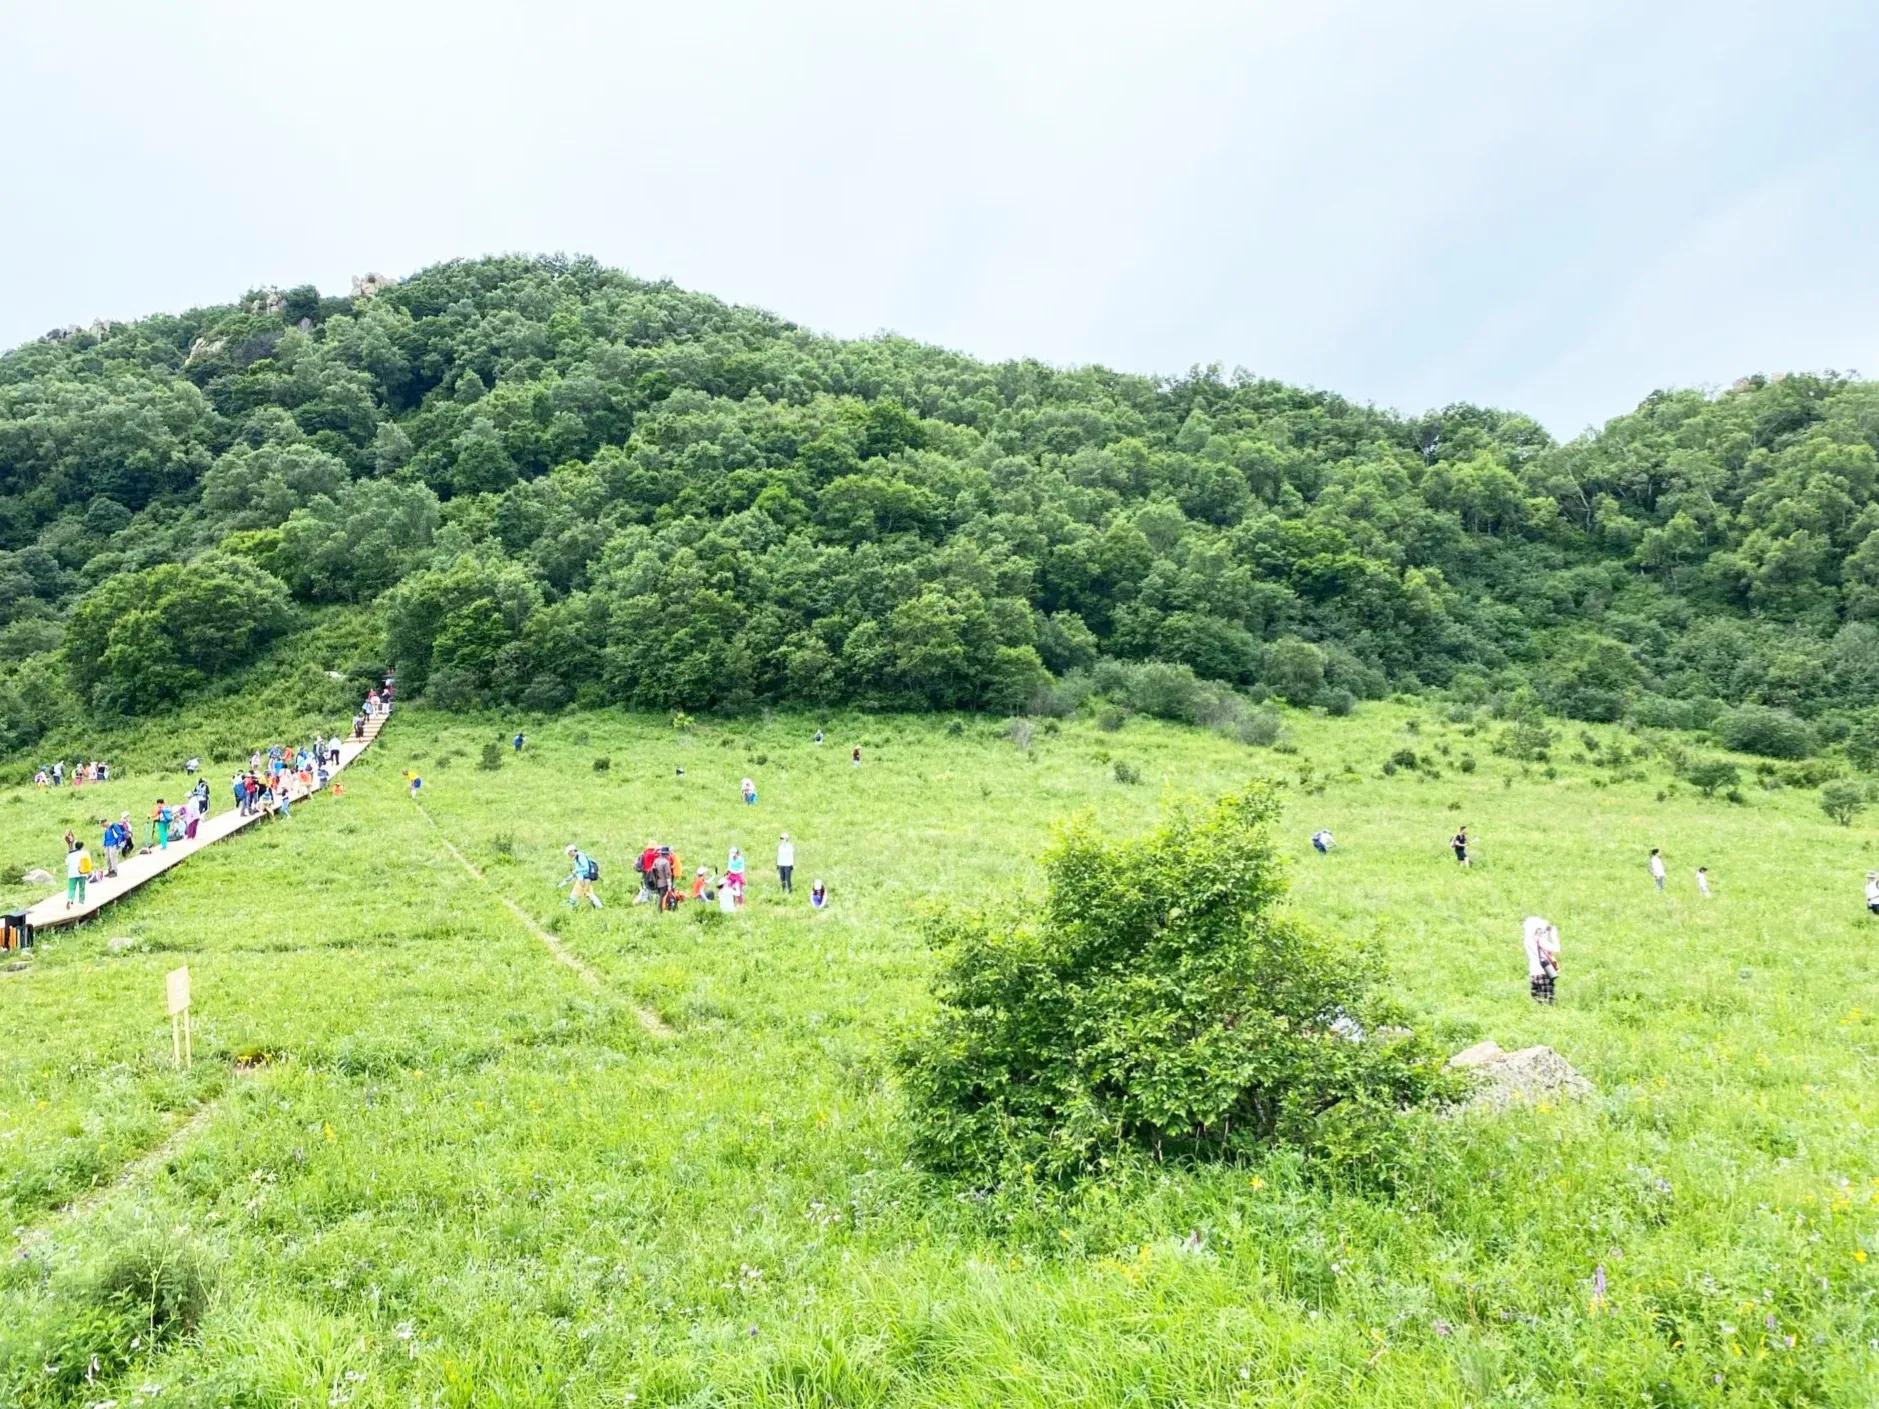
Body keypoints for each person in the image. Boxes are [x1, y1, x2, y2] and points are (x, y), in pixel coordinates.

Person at [1522, 916, 1561, 1004]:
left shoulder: (1527, 941)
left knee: (1538, 1001)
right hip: (1544, 972)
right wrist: (1554, 935)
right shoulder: (1540, 940)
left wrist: (1546, 933)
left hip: (1534, 973)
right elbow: (1557, 948)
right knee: (1548, 1001)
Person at [561, 844, 603, 908]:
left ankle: (570, 906)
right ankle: (599, 907)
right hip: (583, 878)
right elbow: (579, 869)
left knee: (577, 893)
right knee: (588, 893)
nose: (568, 855)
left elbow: (586, 868)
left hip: (585, 878)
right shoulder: (577, 858)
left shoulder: (580, 857)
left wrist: (577, 871)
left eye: (569, 853)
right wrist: (573, 874)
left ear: (572, 851)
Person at [65, 840, 92, 910]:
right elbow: (89, 863)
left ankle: (70, 899)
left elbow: (66, 863)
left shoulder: (71, 854)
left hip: (72, 874)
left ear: (75, 846)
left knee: (71, 888)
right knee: (82, 888)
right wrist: (89, 872)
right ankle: (81, 902)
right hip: (82, 873)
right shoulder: (85, 853)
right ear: (82, 847)